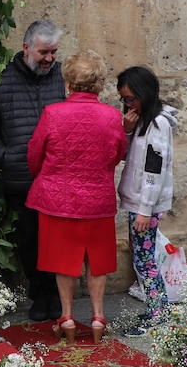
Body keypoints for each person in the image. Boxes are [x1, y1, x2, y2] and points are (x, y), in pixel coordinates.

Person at [26, 51, 127, 342]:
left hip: (58, 200)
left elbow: (35, 153)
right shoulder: (111, 116)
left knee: (64, 261)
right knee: (97, 261)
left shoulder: (53, 113)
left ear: (69, 82)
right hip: (97, 200)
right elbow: (117, 154)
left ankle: (67, 316)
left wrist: (45, 178)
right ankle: (97, 316)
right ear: (98, 84)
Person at [0, 20, 66, 320]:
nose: (49, 59)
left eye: (53, 52)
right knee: (30, 239)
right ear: (26, 48)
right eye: (43, 52)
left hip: (58, 175)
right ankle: (40, 294)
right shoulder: (2, 81)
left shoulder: (62, 77)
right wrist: (5, 156)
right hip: (23, 176)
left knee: (59, 239)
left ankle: (57, 295)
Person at [116, 66, 178, 335]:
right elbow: (127, 157)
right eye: (124, 99)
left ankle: (158, 313)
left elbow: (154, 169)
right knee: (143, 258)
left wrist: (144, 210)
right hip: (137, 202)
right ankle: (157, 309)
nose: (128, 104)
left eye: (131, 98)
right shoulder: (141, 121)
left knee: (145, 260)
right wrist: (127, 130)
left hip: (145, 205)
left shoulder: (157, 124)